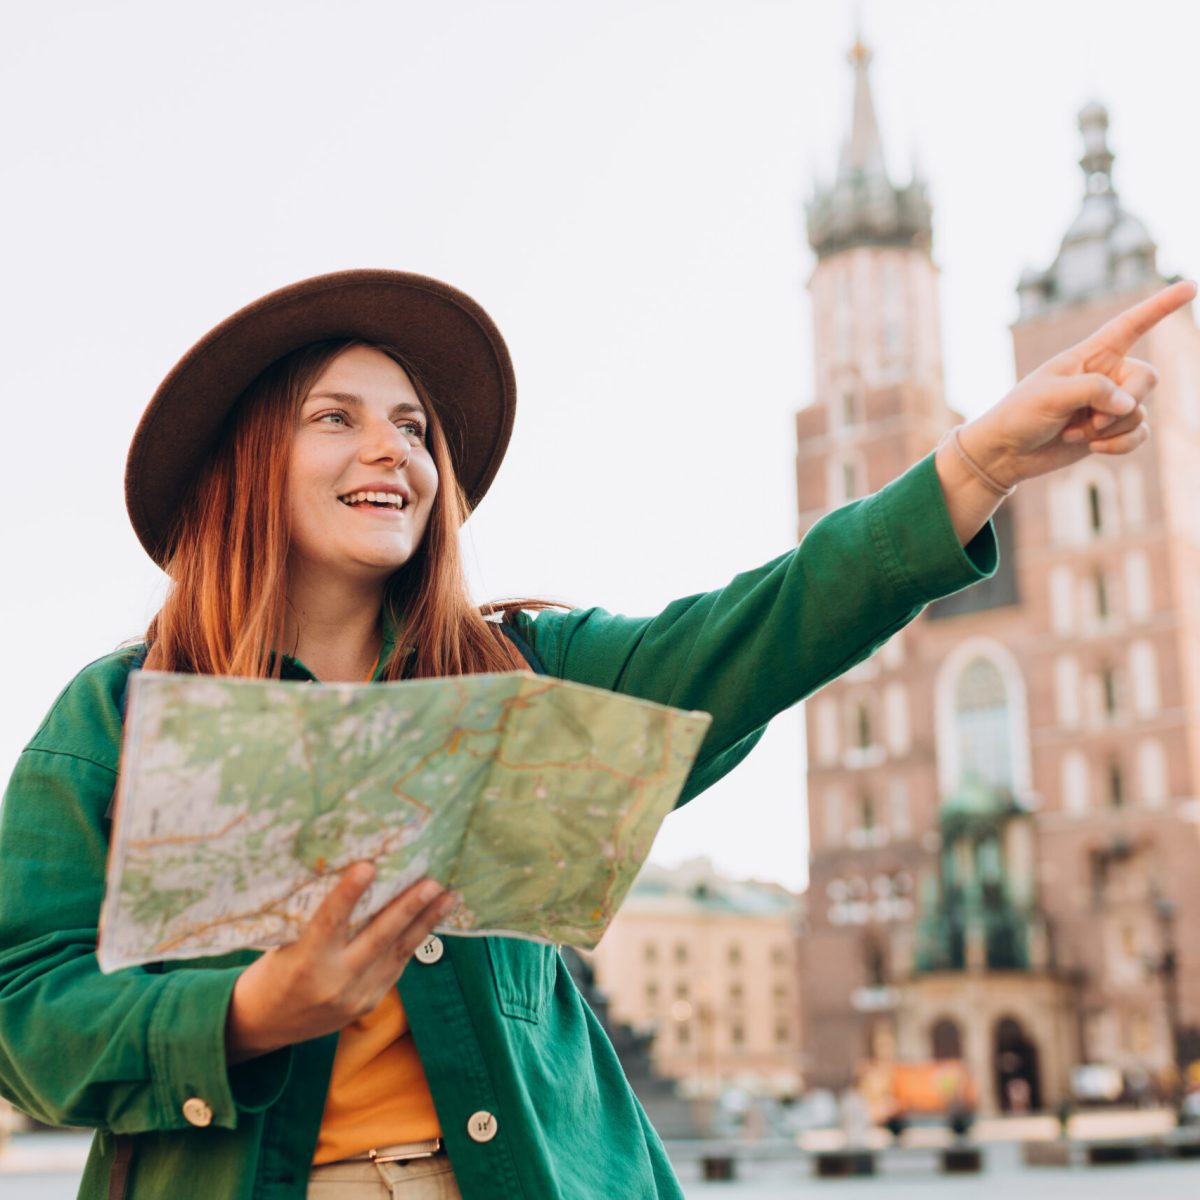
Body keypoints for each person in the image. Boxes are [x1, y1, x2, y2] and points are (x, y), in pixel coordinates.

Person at [0, 269, 1192, 1200]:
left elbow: (752, 632)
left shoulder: (530, 673)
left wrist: (977, 462)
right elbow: (22, 1008)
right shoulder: (112, 717)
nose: (393, 450)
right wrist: (250, 1013)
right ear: (246, 460)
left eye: (415, 427)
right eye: (336, 418)